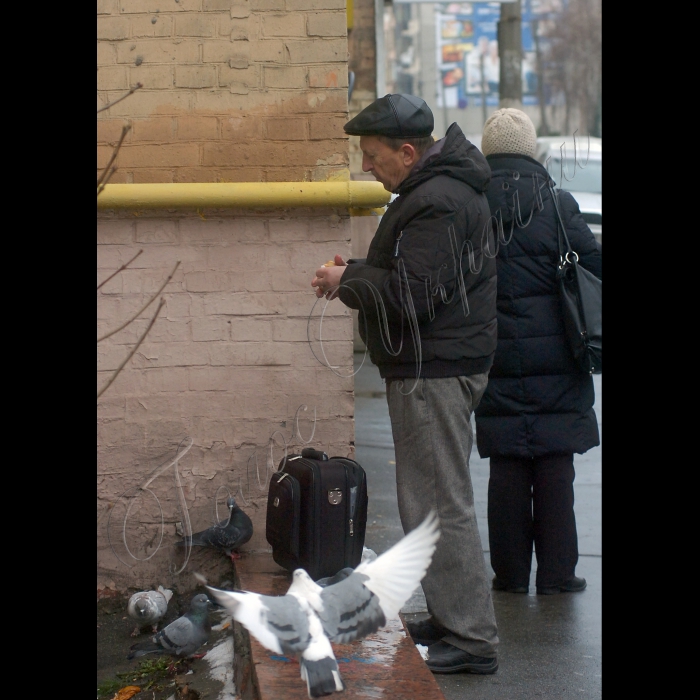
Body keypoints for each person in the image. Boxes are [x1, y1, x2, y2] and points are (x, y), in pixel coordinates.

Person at [311, 94, 500, 674]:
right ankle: (450, 617)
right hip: (434, 366)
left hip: (435, 370)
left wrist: (349, 280)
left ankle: (471, 638)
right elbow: (409, 280)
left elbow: (412, 299)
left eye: (372, 156)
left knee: (442, 503)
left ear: (408, 152)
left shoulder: (436, 201)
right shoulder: (434, 193)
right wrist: (362, 274)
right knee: (429, 501)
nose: (366, 166)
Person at [474, 108, 602, 596]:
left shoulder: (472, 206)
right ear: (533, 152)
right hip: (559, 359)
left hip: (494, 357)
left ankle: (508, 575)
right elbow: (592, 267)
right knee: (554, 470)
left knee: (506, 469)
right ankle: (556, 575)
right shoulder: (558, 203)